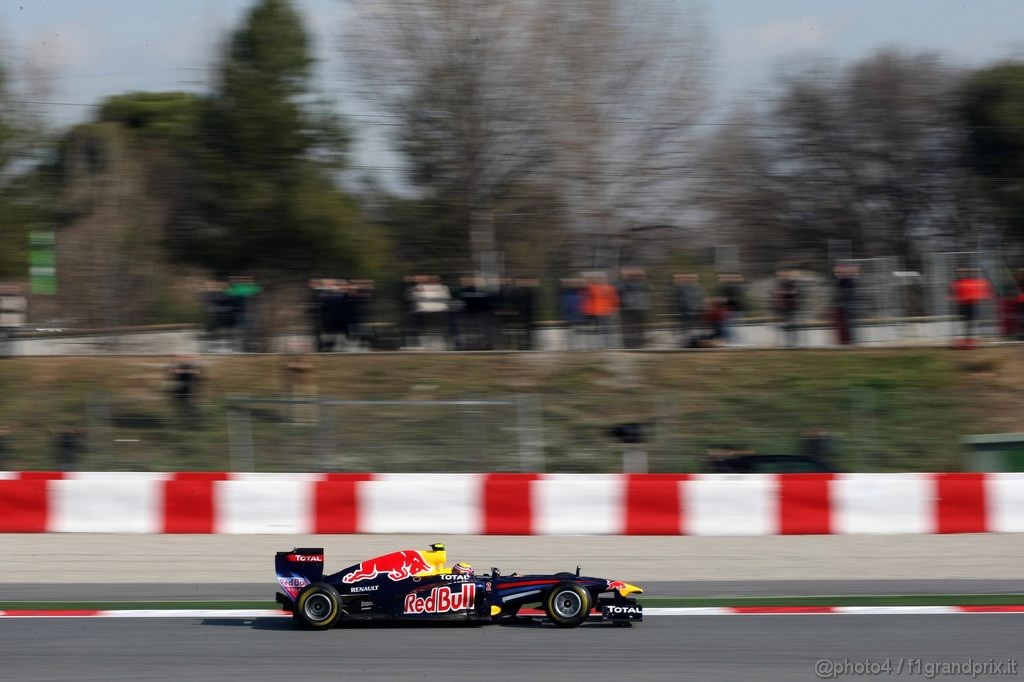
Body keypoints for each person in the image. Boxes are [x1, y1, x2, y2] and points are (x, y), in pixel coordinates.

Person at [950, 267, 992, 349]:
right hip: (964, 305)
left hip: (973, 304)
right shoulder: (958, 283)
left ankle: (970, 337)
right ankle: (967, 337)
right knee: (966, 323)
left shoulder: (979, 282)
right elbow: (953, 294)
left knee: (970, 323)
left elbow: (986, 293)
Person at [619, 268, 650, 349]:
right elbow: (620, 291)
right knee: (630, 326)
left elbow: (647, 289)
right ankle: (630, 343)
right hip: (629, 308)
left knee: (638, 326)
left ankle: (638, 342)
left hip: (639, 307)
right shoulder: (623, 284)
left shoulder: (642, 284)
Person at [672, 274, 703, 348]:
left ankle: (692, 339)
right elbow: (684, 299)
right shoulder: (685, 287)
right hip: (687, 309)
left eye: (693, 278)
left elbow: (699, 298)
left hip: (694, 309)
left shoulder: (697, 287)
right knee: (687, 325)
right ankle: (687, 340)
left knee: (691, 326)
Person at [773, 270, 802, 347]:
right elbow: (776, 296)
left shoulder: (790, 283)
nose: (779, 276)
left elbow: (795, 292)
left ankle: (794, 342)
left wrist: (783, 293)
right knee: (786, 326)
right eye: (778, 275)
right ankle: (788, 343)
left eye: (781, 274)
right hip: (783, 308)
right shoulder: (778, 284)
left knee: (792, 326)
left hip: (791, 307)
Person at [834, 264, 859, 346]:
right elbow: (839, 283)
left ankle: (851, 340)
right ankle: (849, 340)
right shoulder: (844, 281)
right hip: (846, 303)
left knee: (849, 323)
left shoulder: (849, 281)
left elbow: (844, 285)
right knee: (847, 323)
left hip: (849, 303)